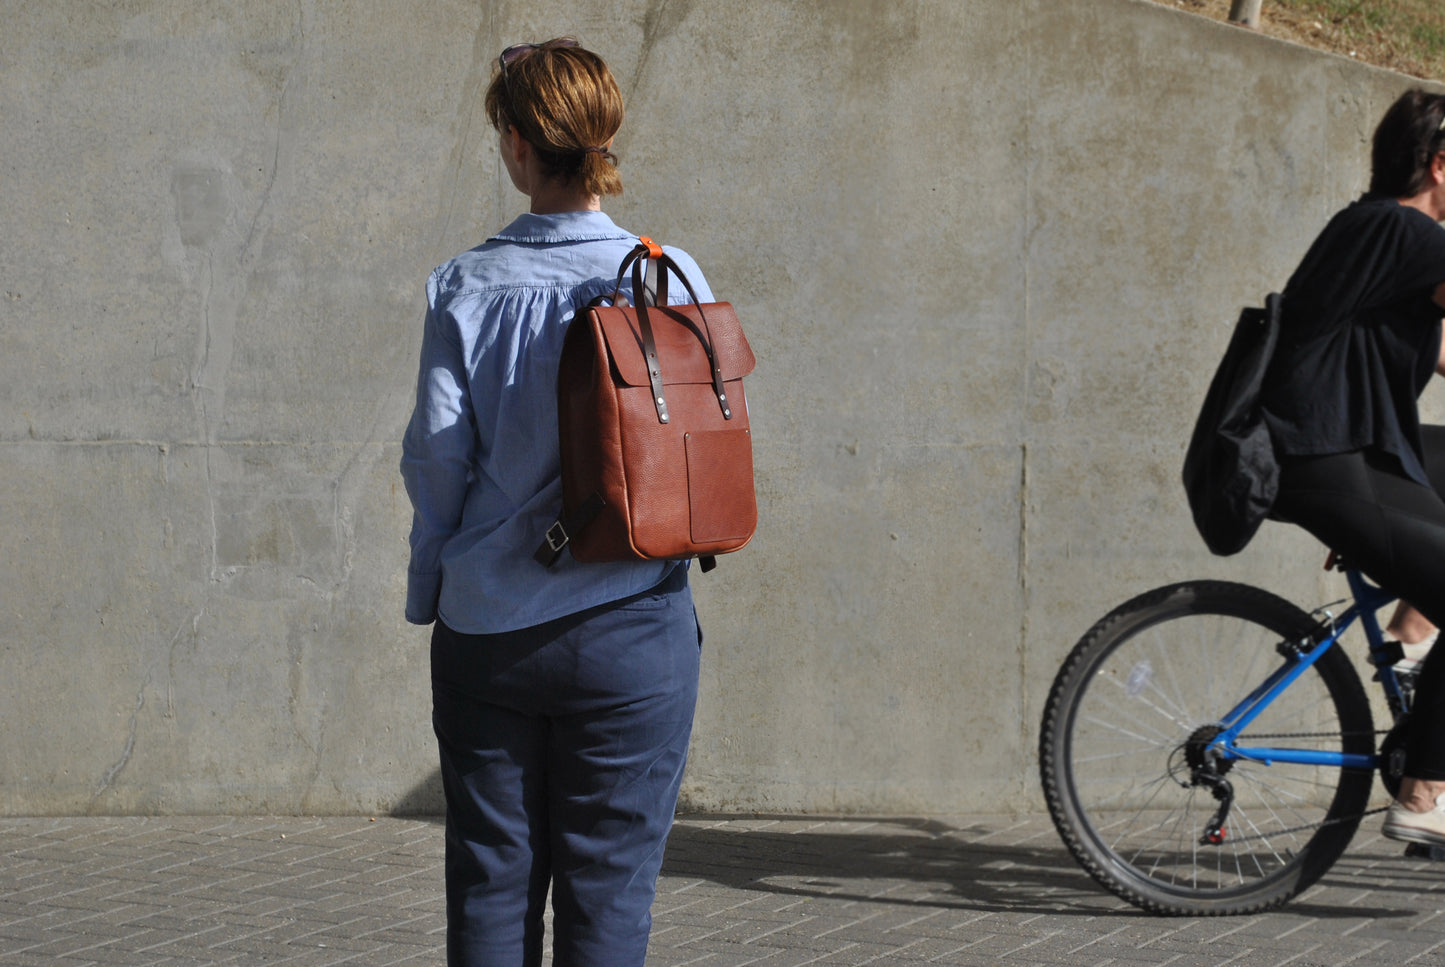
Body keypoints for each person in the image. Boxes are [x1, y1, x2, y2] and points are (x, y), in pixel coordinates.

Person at [399, 37, 709, 966]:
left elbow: (438, 465)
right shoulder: (669, 277)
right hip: (630, 626)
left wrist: (431, 593)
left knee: (490, 882)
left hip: (488, 631)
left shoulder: (464, 286)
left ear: (517, 145)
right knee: (609, 893)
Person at [1262, 87, 1445, 846]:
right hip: (1329, 458)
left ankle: (1410, 636)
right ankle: (1424, 789)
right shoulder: (1412, 235)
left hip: (1346, 444)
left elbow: (1428, 350)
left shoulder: (1369, 227)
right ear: (1440, 165)